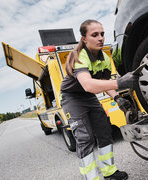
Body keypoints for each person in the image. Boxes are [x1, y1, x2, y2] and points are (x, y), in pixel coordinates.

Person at [60, 19, 137, 180]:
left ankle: (109, 172)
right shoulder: (79, 57)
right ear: (84, 39)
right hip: (72, 98)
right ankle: (91, 178)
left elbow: (103, 83)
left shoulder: (105, 59)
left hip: (89, 97)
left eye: (102, 34)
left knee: (104, 131)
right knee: (85, 138)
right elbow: (88, 85)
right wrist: (120, 82)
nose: (100, 38)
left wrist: (117, 98)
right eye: (95, 35)